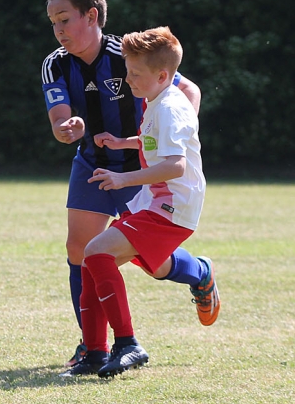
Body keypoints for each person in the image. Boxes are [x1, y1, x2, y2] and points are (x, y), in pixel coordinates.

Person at [41, 0, 200, 367]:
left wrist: (174, 137)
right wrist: (68, 128)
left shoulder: (128, 57)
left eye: (65, 20)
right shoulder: (55, 64)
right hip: (94, 165)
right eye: (53, 22)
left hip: (139, 170)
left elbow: (188, 90)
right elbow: (60, 121)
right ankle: (91, 345)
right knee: (81, 249)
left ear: (91, 16)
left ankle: (199, 273)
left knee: (151, 262)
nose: (58, 30)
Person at [61, 26, 217, 378]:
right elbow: (153, 141)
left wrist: (123, 178)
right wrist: (123, 142)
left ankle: (127, 344)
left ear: (162, 75)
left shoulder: (170, 108)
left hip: (171, 208)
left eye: (134, 74)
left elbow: (175, 166)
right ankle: (95, 353)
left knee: (96, 253)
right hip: (154, 202)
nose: (128, 79)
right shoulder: (156, 99)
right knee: (92, 260)